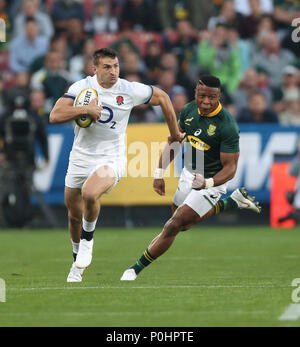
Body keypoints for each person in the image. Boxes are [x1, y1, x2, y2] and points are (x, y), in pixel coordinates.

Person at [49, 48, 185, 282]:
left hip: (111, 157)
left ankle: (87, 240)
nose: (113, 72)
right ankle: (76, 261)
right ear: (95, 69)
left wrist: (174, 132)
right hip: (80, 157)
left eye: (116, 66)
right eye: (107, 67)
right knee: (73, 214)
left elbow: (162, 96)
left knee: (90, 193)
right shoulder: (82, 87)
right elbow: (54, 115)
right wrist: (85, 109)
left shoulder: (128, 89)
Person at [121, 75, 261, 281]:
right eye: (202, 95)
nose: (206, 101)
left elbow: (230, 168)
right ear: (195, 93)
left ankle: (134, 269)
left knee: (173, 225)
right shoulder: (188, 110)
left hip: (212, 182)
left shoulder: (227, 125)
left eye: (212, 97)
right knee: (183, 224)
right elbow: (175, 141)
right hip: (189, 173)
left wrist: (208, 183)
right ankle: (231, 202)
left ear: (219, 96)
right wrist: (159, 173)